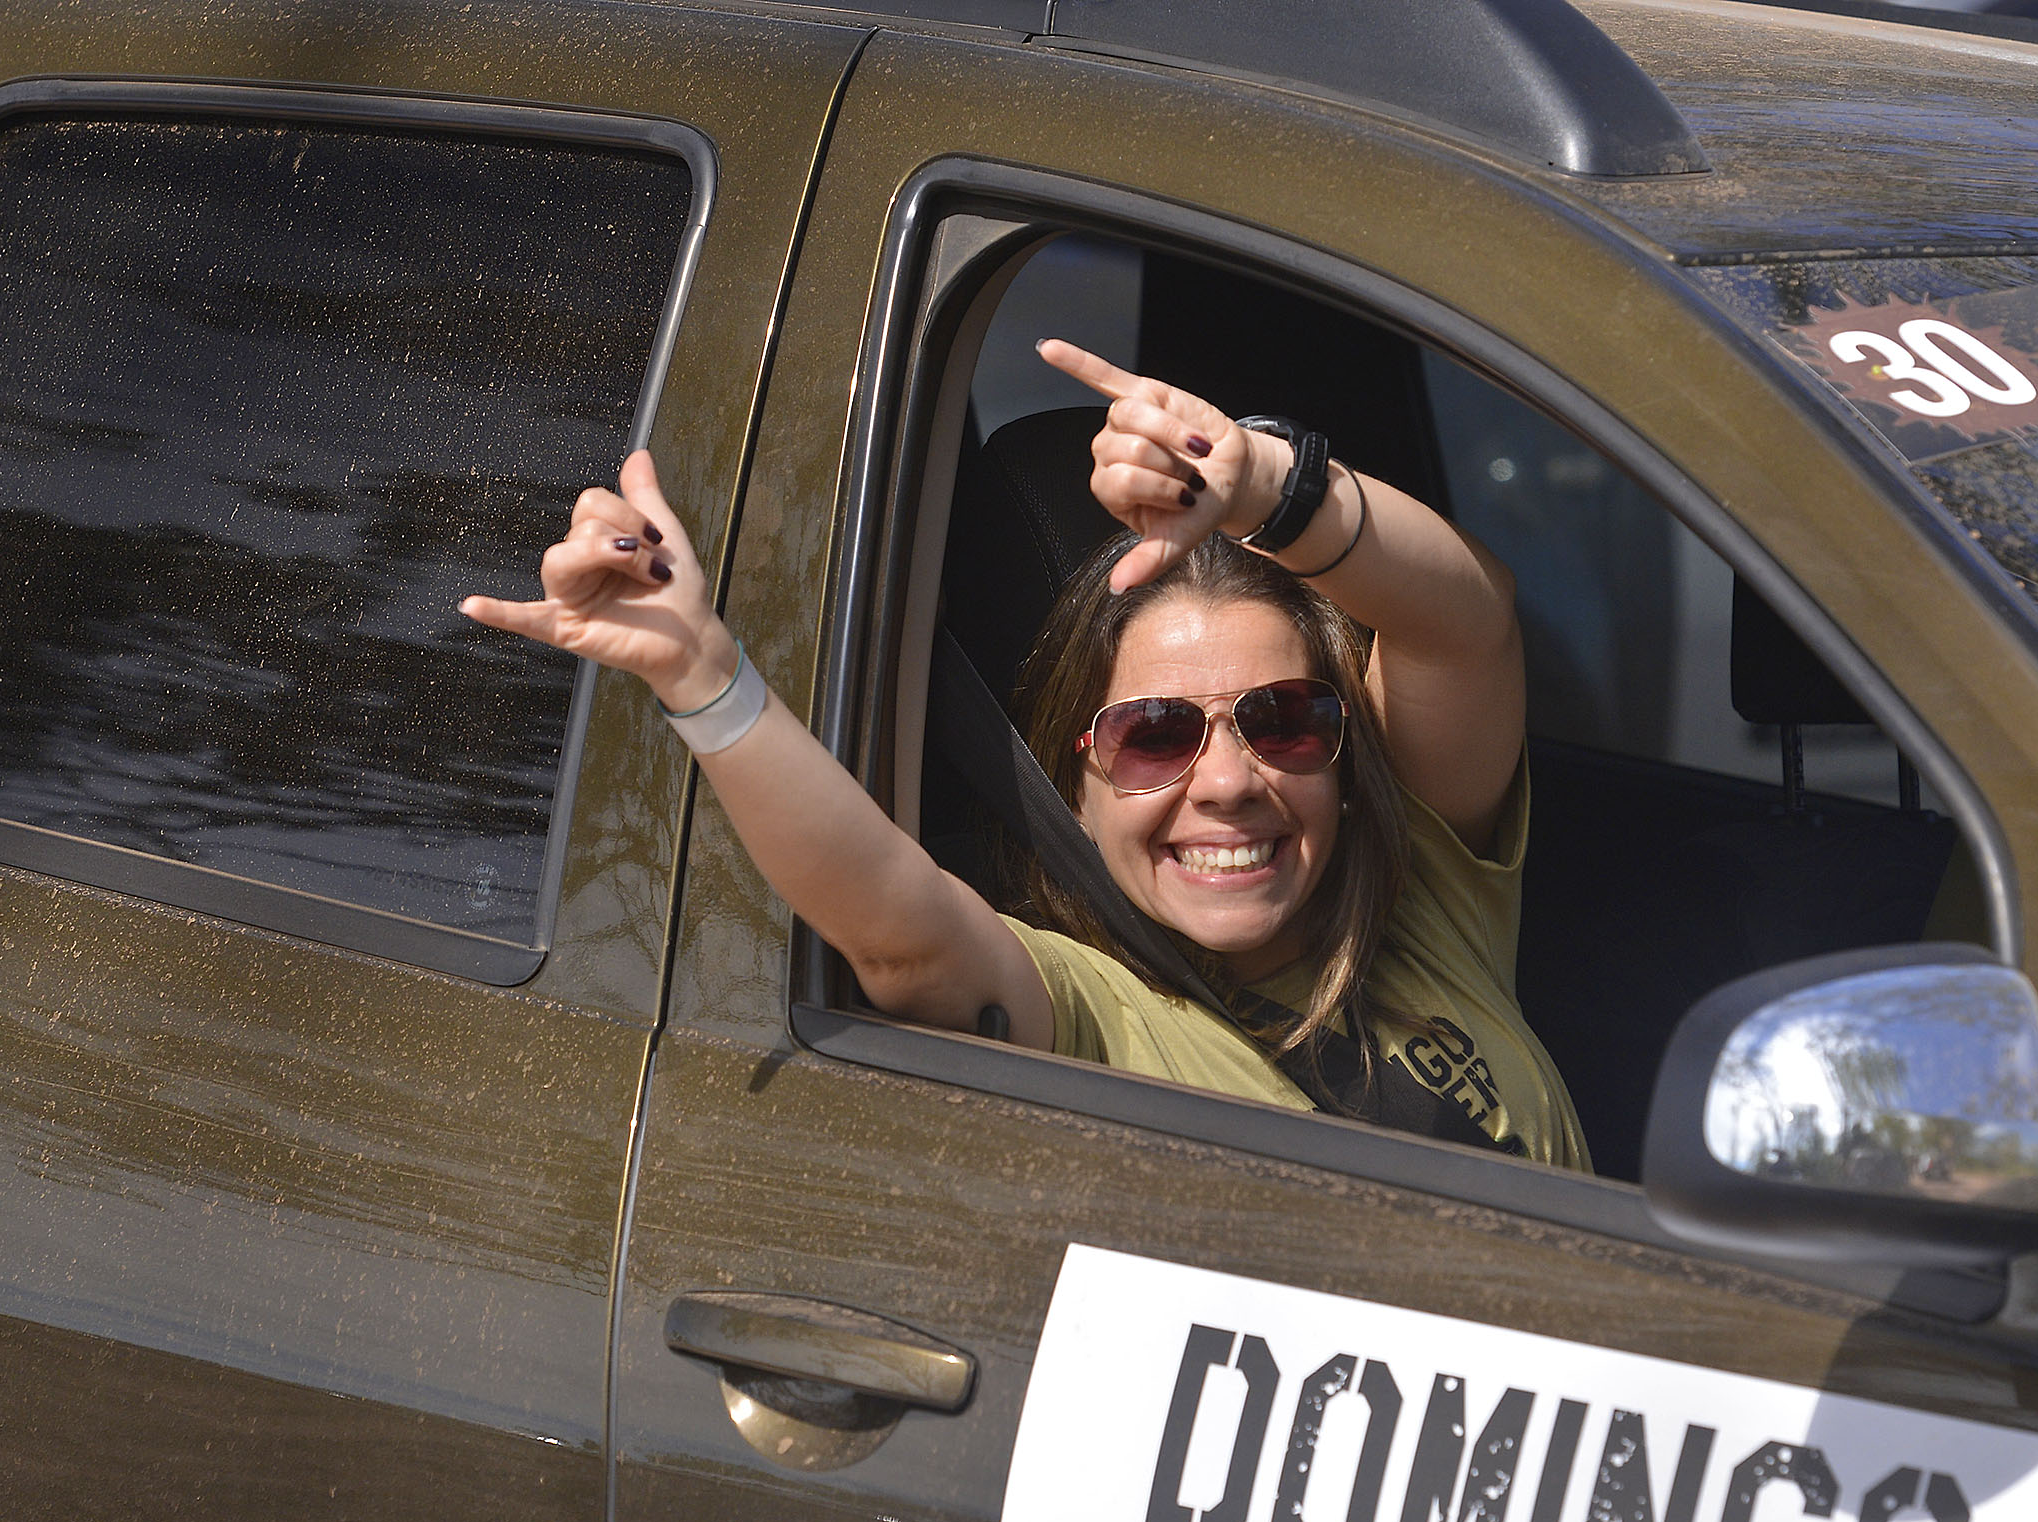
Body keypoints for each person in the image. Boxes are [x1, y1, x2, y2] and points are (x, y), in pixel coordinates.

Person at [464, 341, 1584, 1170]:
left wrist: (1267, 489)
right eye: (1156, 735)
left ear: (1343, 755)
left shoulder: (1423, 897)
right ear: (1074, 780)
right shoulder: (1089, 1011)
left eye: (1285, 719)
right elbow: (900, 935)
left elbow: (1466, 621)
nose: (1234, 783)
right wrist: (706, 683)